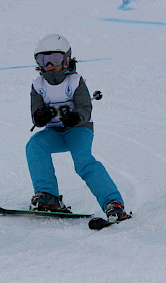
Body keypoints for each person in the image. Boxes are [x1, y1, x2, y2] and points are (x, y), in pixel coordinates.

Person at [26, 33, 129, 222]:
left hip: (78, 131)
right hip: (54, 133)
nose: (49, 65)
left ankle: (113, 203)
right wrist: (40, 117)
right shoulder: (37, 85)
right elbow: (36, 113)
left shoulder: (75, 81)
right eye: (43, 60)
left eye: (54, 58)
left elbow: (85, 108)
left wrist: (75, 118)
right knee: (35, 145)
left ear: (66, 59)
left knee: (83, 162)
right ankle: (48, 195)